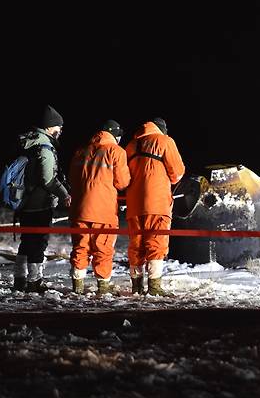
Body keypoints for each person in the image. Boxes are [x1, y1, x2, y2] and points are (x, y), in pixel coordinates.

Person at [68, 120, 130, 295]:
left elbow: (72, 178)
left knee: (80, 247)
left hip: (79, 209)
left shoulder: (81, 151)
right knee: (102, 248)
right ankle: (103, 287)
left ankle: (77, 286)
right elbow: (122, 182)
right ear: (116, 135)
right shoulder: (116, 151)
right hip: (103, 211)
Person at [13, 105, 71, 293]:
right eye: (58, 127)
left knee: (27, 241)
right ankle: (34, 282)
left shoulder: (28, 143)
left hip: (25, 202)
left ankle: (20, 279)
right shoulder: (44, 147)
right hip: (39, 204)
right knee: (38, 242)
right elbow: (48, 179)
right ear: (49, 127)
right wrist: (64, 194)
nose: (60, 131)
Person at [125, 117, 185, 295]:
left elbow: (123, 176)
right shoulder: (165, 141)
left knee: (136, 244)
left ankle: (136, 285)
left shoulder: (130, 146)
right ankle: (154, 286)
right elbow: (177, 172)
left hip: (134, 204)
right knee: (156, 241)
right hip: (157, 202)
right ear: (162, 130)